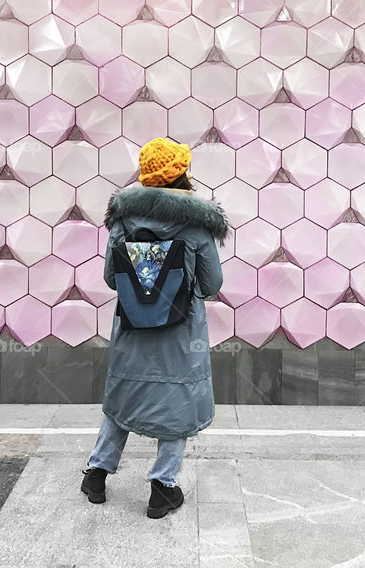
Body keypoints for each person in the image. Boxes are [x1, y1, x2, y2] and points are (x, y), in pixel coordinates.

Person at [80, 137, 229, 519]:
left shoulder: (124, 219)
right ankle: (162, 488)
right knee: (176, 401)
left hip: (132, 326)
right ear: (181, 175)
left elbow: (112, 278)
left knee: (124, 396)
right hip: (180, 333)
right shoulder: (197, 223)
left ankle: (96, 474)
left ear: (146, 177)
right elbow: (212, 285)